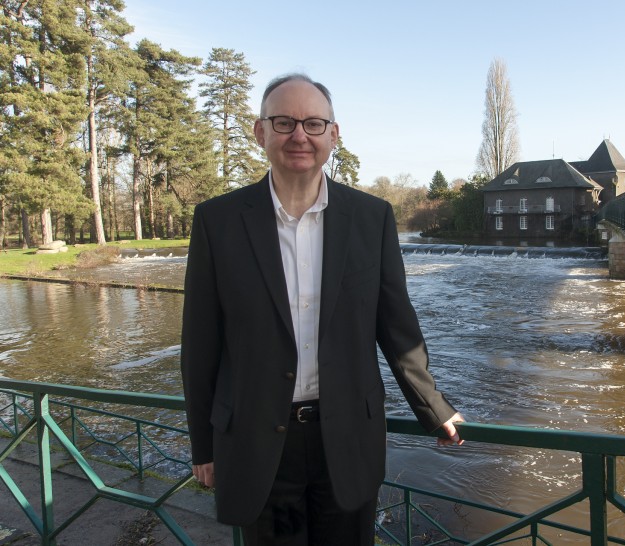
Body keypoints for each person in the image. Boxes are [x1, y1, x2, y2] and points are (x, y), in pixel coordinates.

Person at [180, 73, 464, 546]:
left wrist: (433, 407)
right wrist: (204, 446)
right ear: (260, 133)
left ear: (333, 135)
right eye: (284, 122)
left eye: (313, 123)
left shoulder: (372, 218)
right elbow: (201, 345)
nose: (299, 136)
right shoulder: (218, 221)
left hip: (346, 439)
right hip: (256, 443)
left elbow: (396, 326)